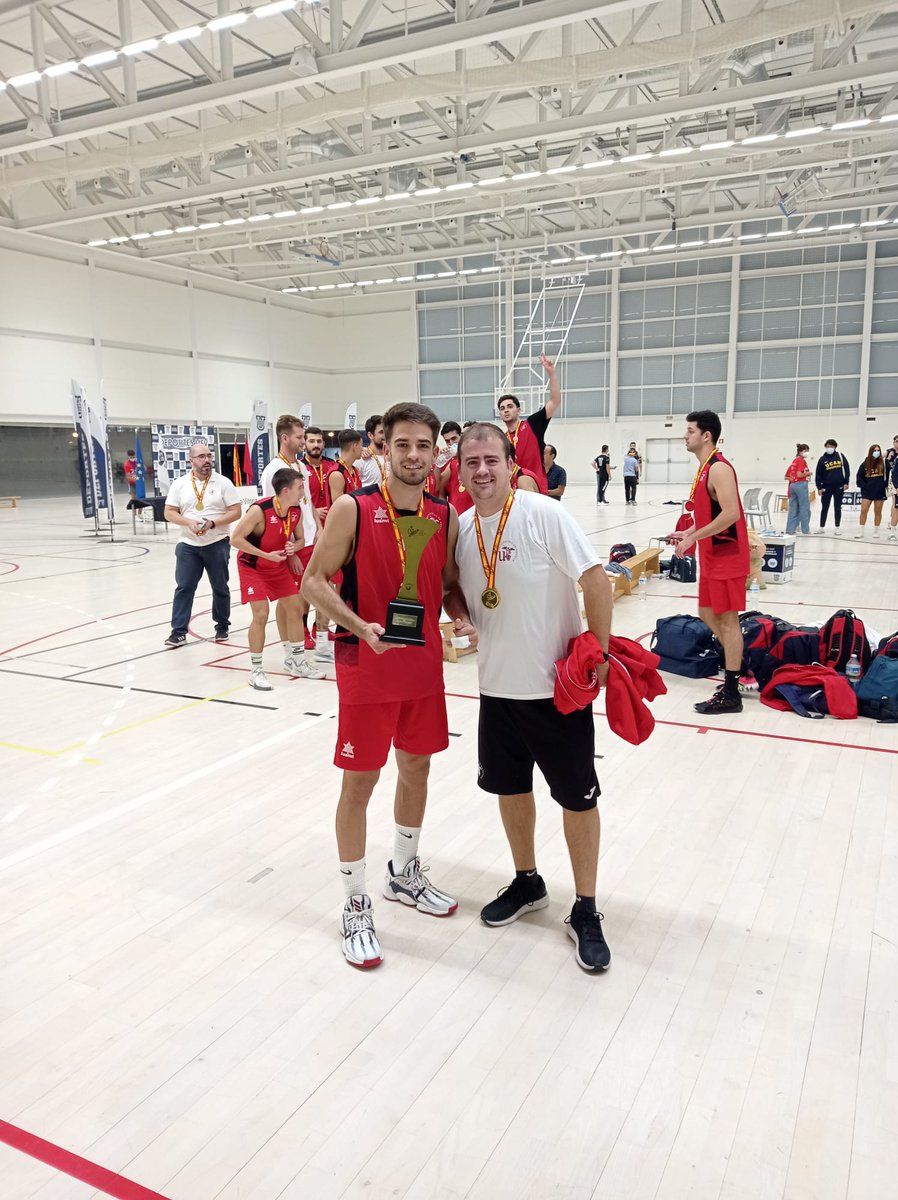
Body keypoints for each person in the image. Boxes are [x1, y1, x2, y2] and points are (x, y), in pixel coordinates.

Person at [301, 402, 472, 969]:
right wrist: (358, 626)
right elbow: (313, 581)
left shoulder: (444, 515)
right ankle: (355, 901)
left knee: (416, 767)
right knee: (360, 782)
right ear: (384, 447)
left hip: (422, 667)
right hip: (366, 665)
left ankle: (403, 871)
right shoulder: (353, 507)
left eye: (424, 445)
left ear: (436, 452)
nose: (414, 455)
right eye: (403, 444)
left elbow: (447, 585)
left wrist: (461, 615)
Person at [444, 422, 613, 972]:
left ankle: (585, 908)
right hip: (495, 689)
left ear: (511, 464)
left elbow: (596, 579)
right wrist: (460, 615)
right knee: (510, 788)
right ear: (459, 471)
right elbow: (453, 589)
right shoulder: (461, 528)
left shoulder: (544, 514)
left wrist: (599, 652)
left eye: (491, 459)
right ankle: (528, 881)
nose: (482, 470)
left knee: (577, 799)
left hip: (555, 692)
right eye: (471, 462)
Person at [673, 410, 750, 716]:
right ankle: (738, 661)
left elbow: (731, 514)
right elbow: (710, 515)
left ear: (706, 435)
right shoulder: (705, 468)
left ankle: (732, 691)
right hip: (711, 556)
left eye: (690, 430)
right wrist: (688, 532)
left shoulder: (719, 468)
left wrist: (693, 537)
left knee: (728, 622)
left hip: (727, 556)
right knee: (706, 613)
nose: (685, 435)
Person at [229, 469, 326, 687]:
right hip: (252, 566)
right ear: (286, 490)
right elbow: (235, 539)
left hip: (277, 565)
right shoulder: (259, 510)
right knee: (261, 614)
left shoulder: (296, 511)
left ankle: (296, 661)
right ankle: (256, 670)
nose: (303, 492)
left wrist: (294, 548)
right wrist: (266, 555)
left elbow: (300, 539)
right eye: (300, 487)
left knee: (295, 609)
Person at [163, 443, 241, 647]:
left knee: (220, 586)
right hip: (188, 544)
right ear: (191, 460)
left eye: (209, 456)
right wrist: (187, 522)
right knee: (184, 587)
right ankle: (178, 632)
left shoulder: (223, 483)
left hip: (217, 542)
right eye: (201, 457)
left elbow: (236, 511)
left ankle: (222, 626)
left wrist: (213, 523)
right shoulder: (180, 484)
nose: (207, 460)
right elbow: (169, 512)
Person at [259, 414, 324, 661]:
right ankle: (289, 650)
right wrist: (291, 551)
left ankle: (300, 643)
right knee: (288, 600)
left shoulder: (301, 466)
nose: (303, 441)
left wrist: (319, 527)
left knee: (304, 595)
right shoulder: (273, 471)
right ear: (284, 437)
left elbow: (309, 502)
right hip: (291, 546)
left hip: (308, 540)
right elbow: (274, 514)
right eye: (299, 437)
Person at [496, 355, 561, 494]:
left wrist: (551, 373)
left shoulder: (532, 424)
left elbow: (554, 401)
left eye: (510, 406)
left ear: (519, 410)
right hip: (511, 492)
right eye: (502, 408)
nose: (506, 410)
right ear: (500, 414)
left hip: (534, 488)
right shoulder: (501, 439)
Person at [814, 439, 850, 535]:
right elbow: (818, 474)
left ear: (835, 447)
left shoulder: (840, 456)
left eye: (831, 446)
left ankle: (837, 527)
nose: (829, 448)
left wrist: (846, 482)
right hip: (826, 487)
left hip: (839, 486)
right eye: (828, 446)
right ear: (825, 447)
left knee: (837, 507)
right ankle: (821, 527)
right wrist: (819, 487)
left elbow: (847, 469)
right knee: (824, 507)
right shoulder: (822, 459)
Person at [437, 420, 472, 513]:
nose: (451, 443)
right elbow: (439, 490)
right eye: (447, 441)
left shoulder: (474, 457)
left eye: (454, 438)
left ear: (461, 436)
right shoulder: (447, 463)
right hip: (455, 514)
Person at [855, 444, 887, 539]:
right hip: (867, 492)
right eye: (874, 450)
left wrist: (884, 486)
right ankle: (861, 531)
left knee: (878, 511)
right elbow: (859, 477)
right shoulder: (865, 463)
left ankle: (876, 531)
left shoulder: (884, 463)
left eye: (878, 450)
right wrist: (864, 486)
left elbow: (889, 475)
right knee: (864, 510)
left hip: (879, 492)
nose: (876, 452)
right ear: (871, 452)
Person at [303, 425, 335, 522]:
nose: (316, 445)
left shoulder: (332, 465)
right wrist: (313, 512)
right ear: (304, 444)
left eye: (319, 441)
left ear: (323, 444)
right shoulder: (299, 468)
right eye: (311, 441)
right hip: (310, 523)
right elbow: (295, 500)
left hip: (332, 522)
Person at [328, 428, 365, 501]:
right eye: (361, 445)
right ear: (355, 446)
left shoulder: (355, 470)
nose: (362, 449)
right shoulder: (337, 474)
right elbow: (339, 506)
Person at [784, 443, 812, 536]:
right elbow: (799, 474)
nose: (807, 453)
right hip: (801, 484)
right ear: (801, 451)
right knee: (804, 508)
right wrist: (808, 473)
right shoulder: (801, 461)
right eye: (806, 451)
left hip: (793, 485)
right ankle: (805, 530)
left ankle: (790, 529)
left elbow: (789, 475)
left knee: (793, 509)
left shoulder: (795, 461)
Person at [357, 414, 387, 488]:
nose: (385, 435)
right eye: (381, 432)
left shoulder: (393, 457)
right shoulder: (361, 459)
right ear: (370, 435)